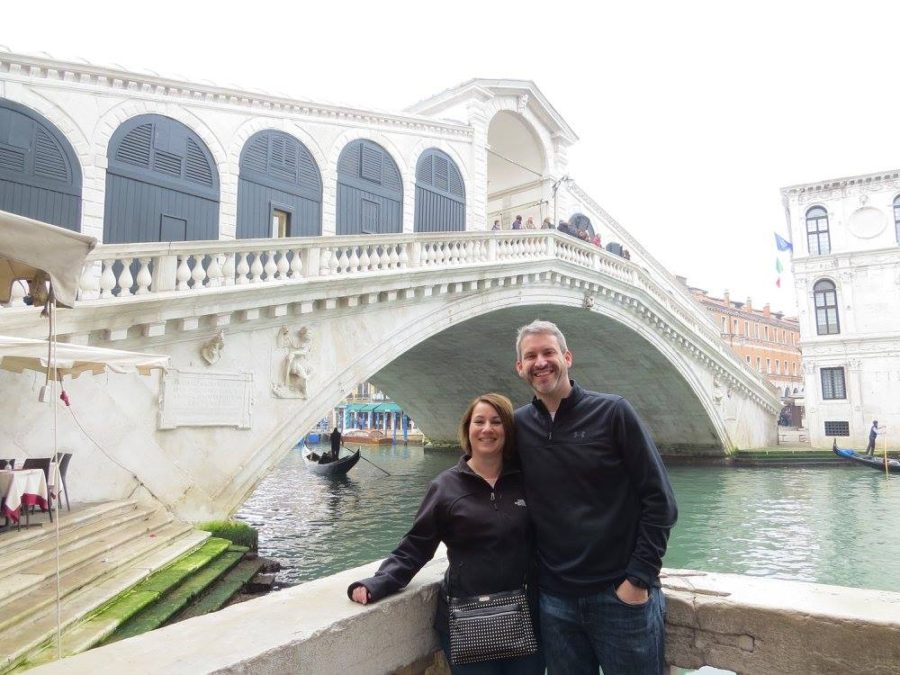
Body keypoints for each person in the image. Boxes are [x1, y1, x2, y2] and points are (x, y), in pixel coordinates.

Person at [513, 319, 677, 675]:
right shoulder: (518, 426)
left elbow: (660, 501)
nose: (540, 361)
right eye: (531, 356)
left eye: (548, 352)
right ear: (520, 367)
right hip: (554, 601)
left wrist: (637, 580)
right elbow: (484, 486)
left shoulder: (614, 412)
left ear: (567, 357)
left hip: (618, 597)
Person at [348, 393, 544, 674]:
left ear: (508, 431)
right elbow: (416, 546)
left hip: (526, 616)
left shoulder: (525, 481)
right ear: (467, 430)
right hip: (468, 617)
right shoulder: (445, 487)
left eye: (496, 422)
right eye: (479, 421)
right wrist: (378, 583)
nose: (487, 429)